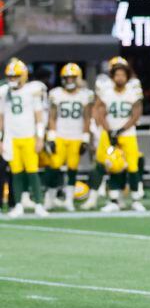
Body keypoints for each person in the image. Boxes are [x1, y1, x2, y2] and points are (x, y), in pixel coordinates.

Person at [94, 58, 146, 212]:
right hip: (111, 134)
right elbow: (100, 112)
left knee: (133, 166)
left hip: (128, 134)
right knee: (113, 165)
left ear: (127, 76)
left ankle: (136, 199)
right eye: (117, 75)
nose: (120, 78)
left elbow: (136, 114)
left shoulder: (133, 91)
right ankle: (114, 200)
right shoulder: (107, 92)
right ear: (112, 76)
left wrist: (121, 130)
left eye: (123, 75)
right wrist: (109, 130)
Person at [0, 59, 48, 217]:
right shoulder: (4, 92)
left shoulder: (32, 91)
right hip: (11, 138)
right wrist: (0, 139)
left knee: (32, 171)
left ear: (24, 76)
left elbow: (39, 117)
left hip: (28, 136)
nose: (12, 79)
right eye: (10, 76)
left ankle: (39, 204)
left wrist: (40, 137)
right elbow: (1, 118)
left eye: (15, 76)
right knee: (16, 172)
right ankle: (18, 205)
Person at [45, 63, 93, 212]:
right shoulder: (56, 93)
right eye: (67, 78)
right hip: (60, 134)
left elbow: (87, 117)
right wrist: (51, 136)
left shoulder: (85, 95)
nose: (70, 81)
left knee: (73, 168)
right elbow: (52, 117)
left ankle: (69, 200)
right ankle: (50, 199)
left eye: (73, 78)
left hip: (76, 135)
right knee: (54, 167)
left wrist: (85, 138)